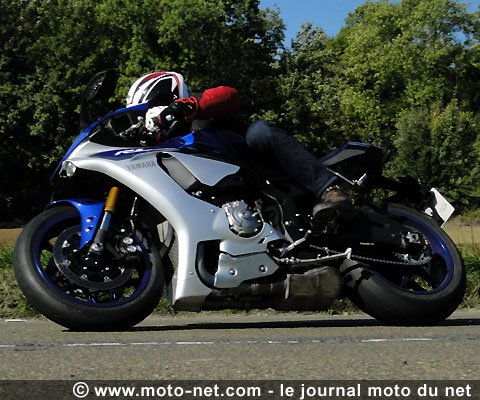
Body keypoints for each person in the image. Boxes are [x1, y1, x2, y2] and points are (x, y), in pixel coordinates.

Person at [126, 72, 352, 223]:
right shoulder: (165, 155)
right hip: (235, 207)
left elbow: (229, 96)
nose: (149, 121)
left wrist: (187, 106)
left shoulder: (198, 113)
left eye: (149, 112)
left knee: (259, 131)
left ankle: (330, 189)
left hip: (263, 173)